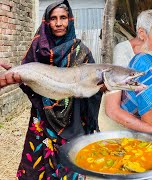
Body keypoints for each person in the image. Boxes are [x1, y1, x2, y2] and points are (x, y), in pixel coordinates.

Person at [0, 0, 101, 179]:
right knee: (39, 163)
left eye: (63, 17)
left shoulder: (82, 51)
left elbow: (93, 86)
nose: (59, 23)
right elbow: (28, 80)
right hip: (42, 117)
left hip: (73, 118)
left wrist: (101, 86)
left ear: (70, 19)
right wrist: (14, 77)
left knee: (70, 164)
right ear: (47, 22)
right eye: (53, 18)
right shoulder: (38, 49)